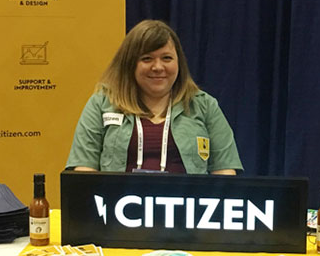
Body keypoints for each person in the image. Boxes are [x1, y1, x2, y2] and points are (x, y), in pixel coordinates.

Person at [66, 19, 243, 174]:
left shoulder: (204, 106)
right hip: (117, 209)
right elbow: (84, 170)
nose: (158, 67)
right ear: (130, 63)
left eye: (166, 58)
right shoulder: (102, 103)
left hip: (187, 211)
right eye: (147, 58)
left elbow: (225, 171)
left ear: (179, 63)